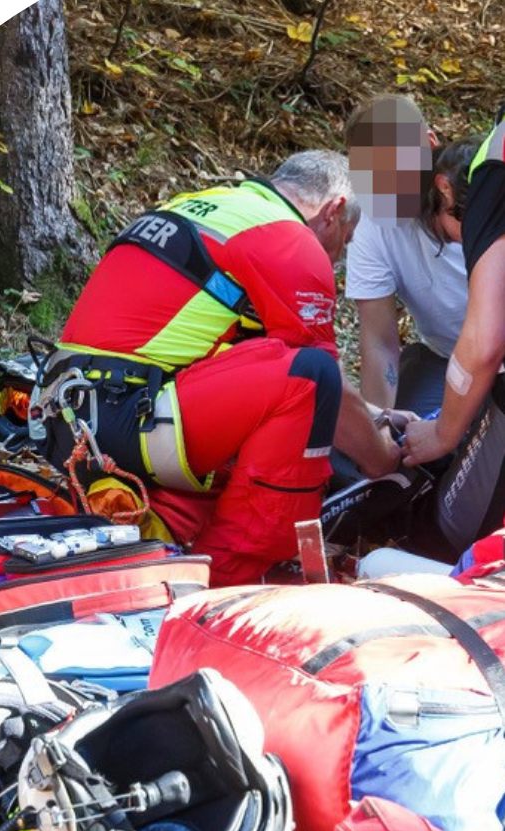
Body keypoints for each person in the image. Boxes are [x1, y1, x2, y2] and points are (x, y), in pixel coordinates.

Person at [51, 150, 400, 587]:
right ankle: (229, 577)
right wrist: (381, 457)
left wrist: (374, 414)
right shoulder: (288, 239)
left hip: (70, 414)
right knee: (309, 377)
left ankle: (173, 535)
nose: (337, 258)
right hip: (129, 416)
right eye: (345, 241)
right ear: (334, 211)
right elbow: (319, 382)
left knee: (276, 375)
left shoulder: (204, 204)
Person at [403, 116, 505, 551]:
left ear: (445, 189)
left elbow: (484, 341)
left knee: (446, 532)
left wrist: (443, 433)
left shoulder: (494, 173)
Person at [346, 96, 476, 416]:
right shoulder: (374, 225)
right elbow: (379, 342)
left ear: (428, 145)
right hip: (446, 358)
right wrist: (379, 426)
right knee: (408, 446)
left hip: (491, 353)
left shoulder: (478, 189)